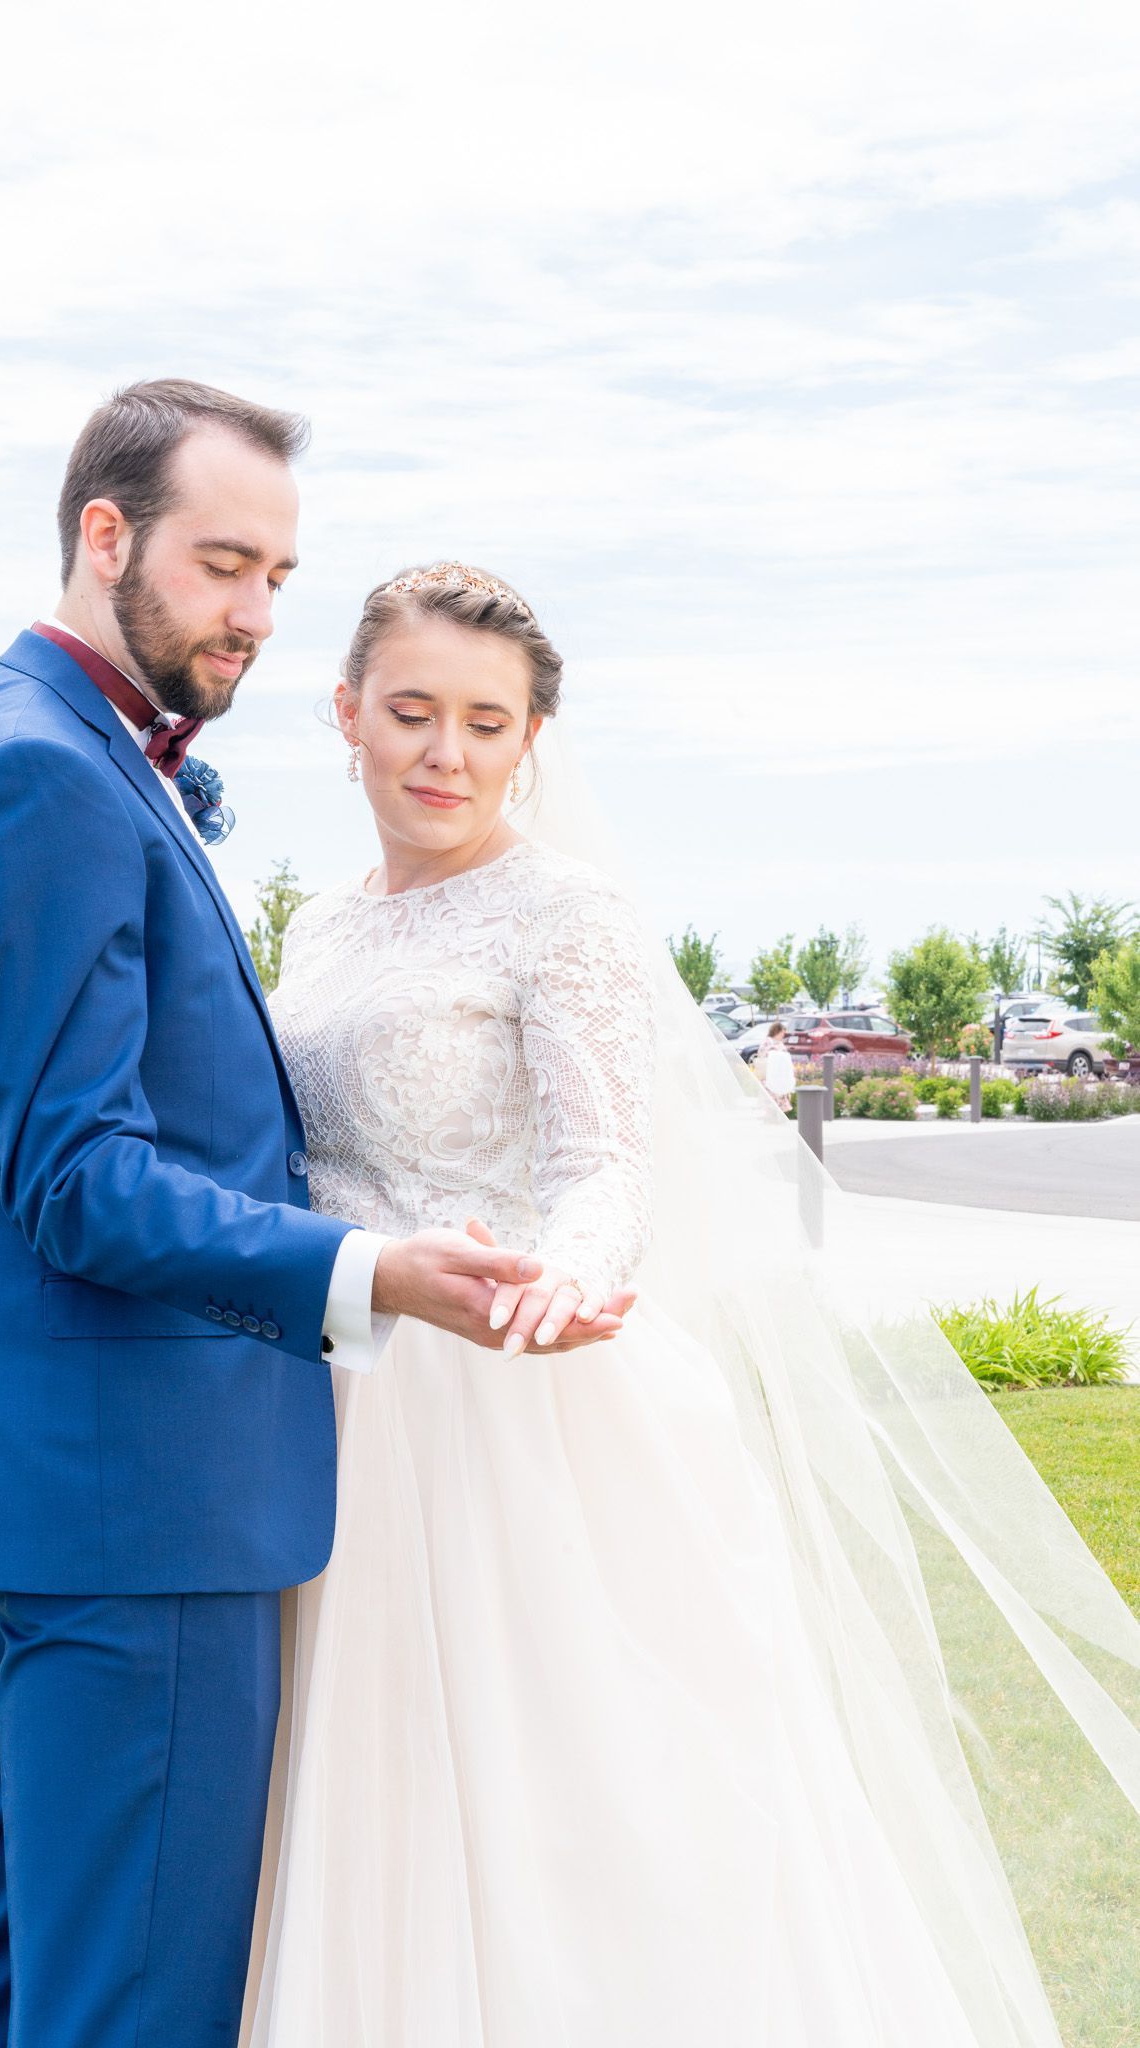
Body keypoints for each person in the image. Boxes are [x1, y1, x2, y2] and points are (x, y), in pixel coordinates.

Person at [244, 561, 1140, 2046]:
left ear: (533, 737)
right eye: (409, 712)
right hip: (344, 1401)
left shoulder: (564, 911)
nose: (443, 754)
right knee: (367, 1805)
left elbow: (606, 1167)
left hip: (525, 1405)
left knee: (585, 1824)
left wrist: (569, 1281)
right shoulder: (320, 929)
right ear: (345, 713)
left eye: (485, 721)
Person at [0, 395, 630, 2048]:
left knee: (13, 1955)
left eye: (279, 574)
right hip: (138, 1494)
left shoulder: (22, 744)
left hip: (68, 1483)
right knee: (128, 1991)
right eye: (225, 565)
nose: (257, 616)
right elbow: (76, 1174)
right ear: (102, 533)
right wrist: (369, 1269)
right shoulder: (39, 776)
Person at [755, 1017, 796, 1110]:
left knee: (779, 1094)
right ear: (776, 1031)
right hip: (769, 1075)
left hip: (779, 1075)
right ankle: (771, 1115)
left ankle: (778, 1116)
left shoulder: (779, 1043)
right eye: (782, 1033)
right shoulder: (768, 1042)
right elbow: (765, 1055)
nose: (783, 1035)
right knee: (771, 1095)